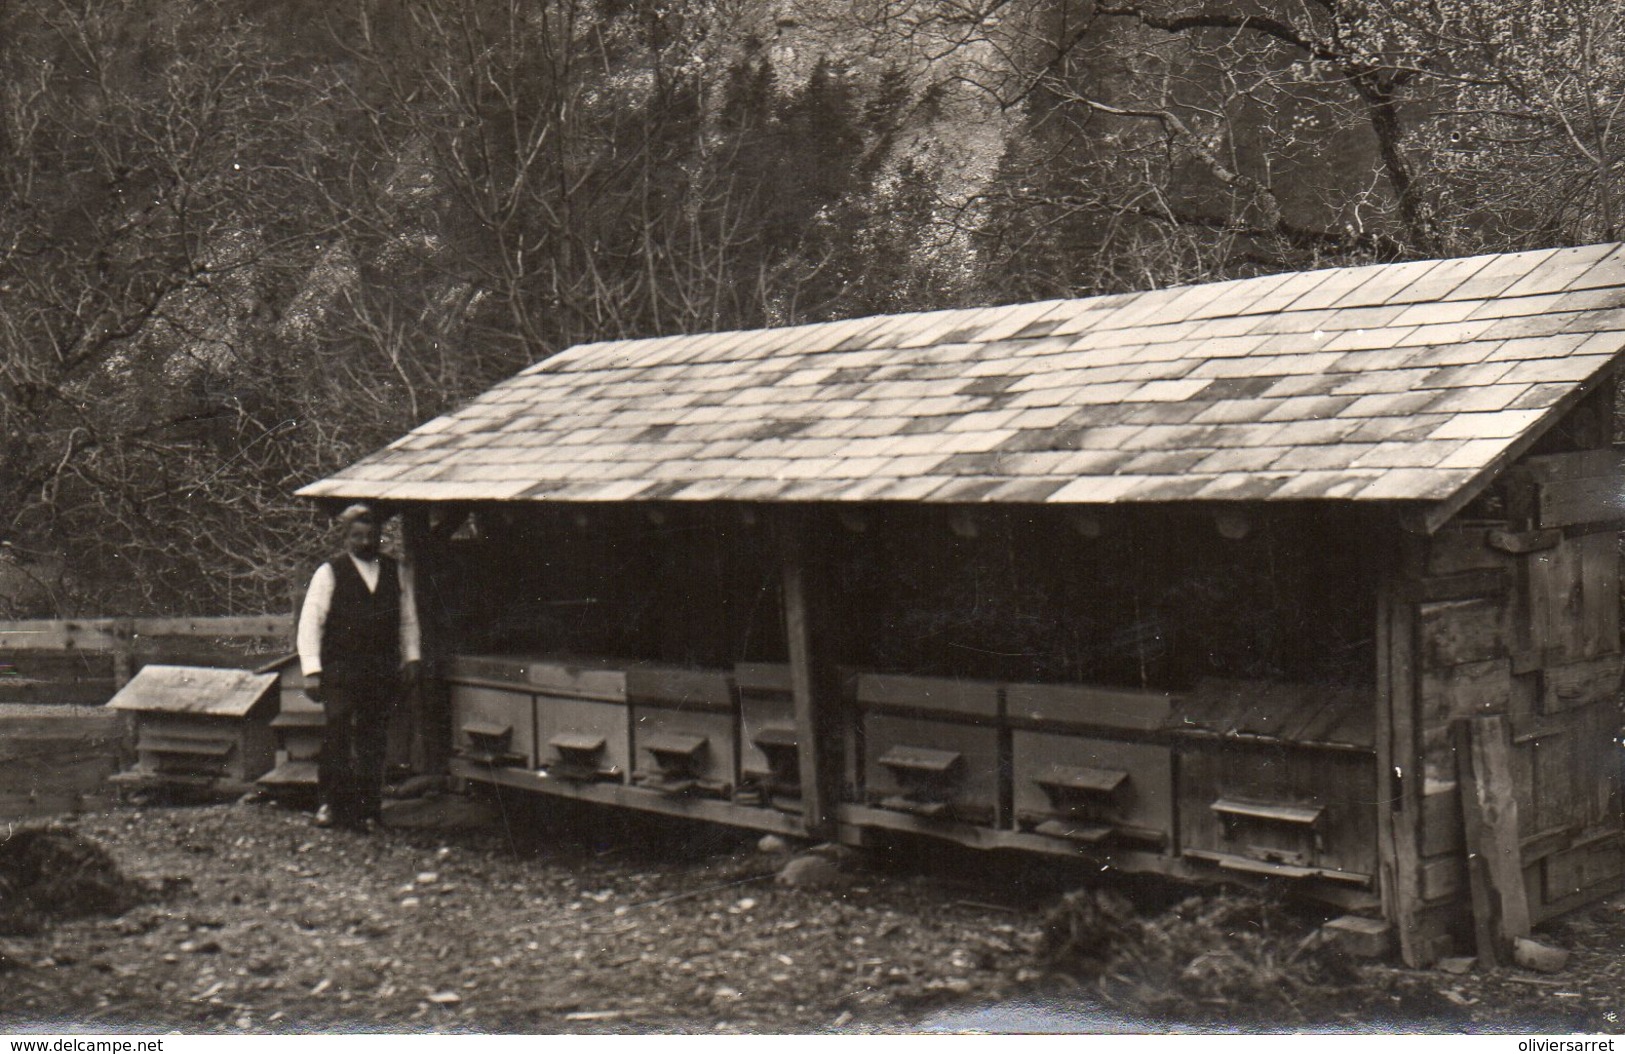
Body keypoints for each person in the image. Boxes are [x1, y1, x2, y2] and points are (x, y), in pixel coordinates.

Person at [296, 504, 421, 831]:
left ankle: (369, 809)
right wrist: (311, 669)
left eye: (371, 535)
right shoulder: (329, 572)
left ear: (380, 536)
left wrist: (412, 657)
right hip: (340, 668)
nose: (365, 542)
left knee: (373, 737)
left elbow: (407, 620)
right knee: (336, 730)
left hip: (379, 669)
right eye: (357, 536)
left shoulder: (396, 571)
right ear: (345, 537)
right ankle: (329, 804)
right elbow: (311, 623)